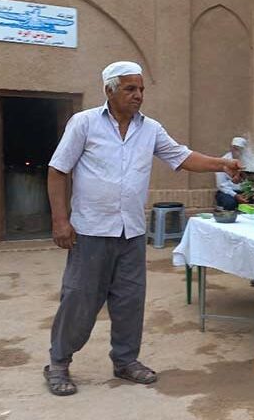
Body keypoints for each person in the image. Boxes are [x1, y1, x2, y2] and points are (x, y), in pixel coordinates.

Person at [44, 61, 242, 396]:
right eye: (130, 89)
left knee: (130, 301)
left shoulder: (149, 129)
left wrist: (222, 163)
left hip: (132, 232)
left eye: (141, 89)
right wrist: (61, 221)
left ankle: (125, 361)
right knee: (79, 298)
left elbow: (181, 156)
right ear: (110, 90)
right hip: (91, 231)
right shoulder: (84, 123)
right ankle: (59, 363)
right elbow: (57, 170)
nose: (138, 95)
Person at [215, 137, 248, 210]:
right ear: (231, 148)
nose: (237, 151)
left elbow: (251, 181)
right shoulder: (223, 161)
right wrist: (236, 195)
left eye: (240, 149)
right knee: (230, 203)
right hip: (227, 192)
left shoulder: (249, 161)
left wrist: (248, 193)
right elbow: (221, 186)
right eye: (235, 148)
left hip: (245, 192)